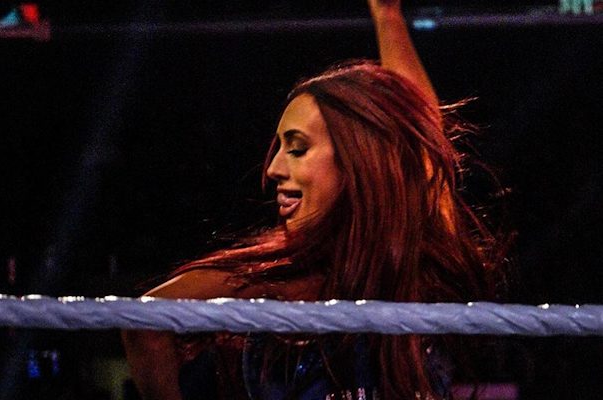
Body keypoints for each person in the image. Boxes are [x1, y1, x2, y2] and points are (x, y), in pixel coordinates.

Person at [122, 1, 500, 399]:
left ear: (361, 161)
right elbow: (144, 321)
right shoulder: (276, 281)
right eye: (280, 148)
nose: (272, 169)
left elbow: (417, 137)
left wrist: (388, 17)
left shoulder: (415, 258)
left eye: (298, 148)